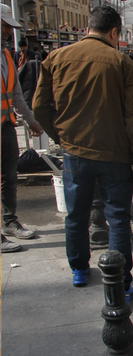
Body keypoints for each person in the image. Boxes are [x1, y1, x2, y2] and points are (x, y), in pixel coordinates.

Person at [32, 5, 133, 303]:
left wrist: (62, 137)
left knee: (76, 215)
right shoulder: (123, 64)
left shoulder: (55, 58)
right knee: (118, 218)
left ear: (87, 28)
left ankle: (79, 270)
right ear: (113, 32)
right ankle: (121, 283)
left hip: (75, 153)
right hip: (116, 156)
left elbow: (39, 108)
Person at [1, 4, 44, 253]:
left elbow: (15, 94)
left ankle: (9, 222)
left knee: (9, 175)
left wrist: (30, 120)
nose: (9, 32)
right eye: (5, 26)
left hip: (5, 125)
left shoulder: (7, 55)